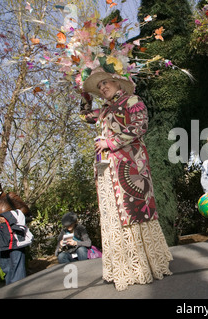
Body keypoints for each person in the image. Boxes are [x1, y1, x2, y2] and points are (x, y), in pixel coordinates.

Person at [80, 67, 173, 291]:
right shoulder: (103, 111)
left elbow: (141, 125)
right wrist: (84, 97)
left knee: (135, 212)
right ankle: (124, 268)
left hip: (130, 167)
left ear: (119, 83)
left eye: (106, 83)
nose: (103, 88)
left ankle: (144, 266)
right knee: (113, 215)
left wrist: (110, 143)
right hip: (106, 170)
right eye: (99, 86)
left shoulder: (132, 100)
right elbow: (85, 116)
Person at [0, 180, 30, 285]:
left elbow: (24, 209)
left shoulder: (9, 196)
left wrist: (9, 216)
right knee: (6, 267)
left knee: (17, 266)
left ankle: (19, 291)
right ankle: (11, 290)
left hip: (13, 235)